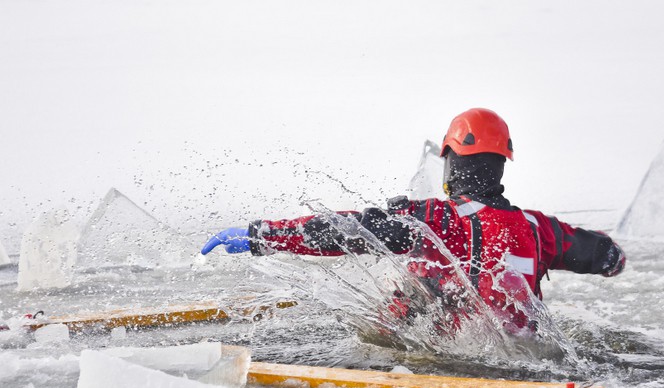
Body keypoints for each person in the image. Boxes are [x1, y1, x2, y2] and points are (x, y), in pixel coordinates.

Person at [202, 108, 625, 332]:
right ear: (501, 165)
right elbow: (607, 256)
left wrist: (266, 236)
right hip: (524, 350)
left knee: (404, 301)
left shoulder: (431, 218)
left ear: (451, 163)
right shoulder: (539, 230)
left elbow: (348, 231)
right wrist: (609, 254)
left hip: (446, 354)